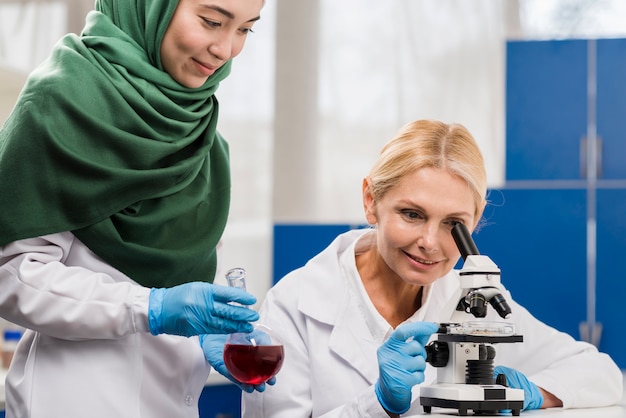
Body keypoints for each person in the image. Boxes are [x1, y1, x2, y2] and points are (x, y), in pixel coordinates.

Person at [242, 119, 624, 417]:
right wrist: (378, 404)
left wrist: (534, 392)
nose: (429, 241)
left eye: (451, 223)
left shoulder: (471, 298)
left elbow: (602, 373)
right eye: (412, 214)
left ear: (474, 222)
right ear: (371, 201)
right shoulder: (296, 305)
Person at [0, 0, 268, 417]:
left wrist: (202, 336)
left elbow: (175, 272)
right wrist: (152, 309)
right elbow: (12, 275)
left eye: (245, 30)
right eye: (212, 22)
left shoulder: (202, 137)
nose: (226, 49)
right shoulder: (61, 102)